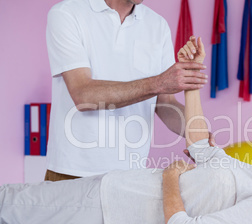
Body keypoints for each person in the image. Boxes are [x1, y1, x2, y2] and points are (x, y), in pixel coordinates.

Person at [0, 38, 252, 224]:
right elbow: (202, 148)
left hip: (108, 208)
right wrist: (191, 77)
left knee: (9, 203)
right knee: (9, 201)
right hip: (112, 187)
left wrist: (170, 180)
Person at [44, 0, 209, 181]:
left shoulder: (157, 25)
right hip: (70, 173)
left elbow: (165, 103)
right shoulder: (67, 13)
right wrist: (159, 82)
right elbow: (83, 94)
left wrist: (201, 137)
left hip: (131, 178)